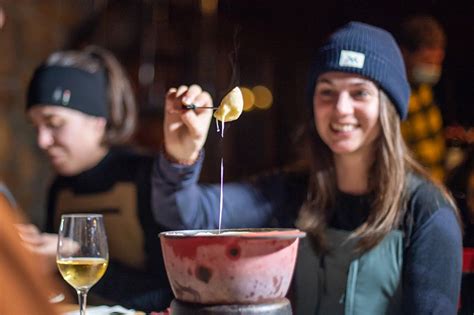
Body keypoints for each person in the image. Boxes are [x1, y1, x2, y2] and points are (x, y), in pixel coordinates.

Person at [151, 22, 462, 314]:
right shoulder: (293, 189)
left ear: (390, 107)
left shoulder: (427, 212)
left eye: (360, 92)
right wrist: (182, 154)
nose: (341, 108)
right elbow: (185, 215)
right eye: (327, 91)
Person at [19, 46, 173, 312]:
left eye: (54, 123)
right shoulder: (60, 186)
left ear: (98, 120)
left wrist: (76, 256)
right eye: (36, 127)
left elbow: (170, 294)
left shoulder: (146, 177)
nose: (42, 141)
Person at [397, 15, 448, 183]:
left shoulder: (424, 90)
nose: (433, 69)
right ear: (404, 54)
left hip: (436, 186)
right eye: (426, 61)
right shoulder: (396, 98)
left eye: (437, 62)